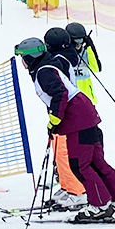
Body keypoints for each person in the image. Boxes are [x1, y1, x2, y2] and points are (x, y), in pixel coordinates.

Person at [15, 36, 115, 222]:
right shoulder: (48, 65)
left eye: (23, 58)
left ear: (30, 58)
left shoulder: (44, 72)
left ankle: (101, 205)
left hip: (78, 118)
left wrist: (54, 120)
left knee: (80, 164)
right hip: (84, 114)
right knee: (95, 162)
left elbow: (60, 94)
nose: (22, 63)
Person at [41, 27, 87, 208]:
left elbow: (60, 89)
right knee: (59, 150)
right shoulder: (66, 56)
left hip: (65, 112)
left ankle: (77, 191)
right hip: (64, 111)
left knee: (64, 153)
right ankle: (68, 186)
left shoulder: (60, 60)